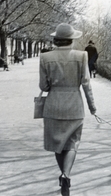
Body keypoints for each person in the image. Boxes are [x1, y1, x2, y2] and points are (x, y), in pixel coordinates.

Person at [39, 23, 97, 196]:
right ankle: (66, 174)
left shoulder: (45, 58)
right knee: (72, 143)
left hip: (53, 106)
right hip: (74, 106)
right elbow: (86, 84)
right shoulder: (82, 56)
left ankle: (64, 175)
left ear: (56, 39)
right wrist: (92, 107)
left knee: (58, 144)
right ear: (71, 39)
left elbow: (44, 85)